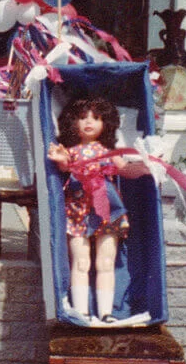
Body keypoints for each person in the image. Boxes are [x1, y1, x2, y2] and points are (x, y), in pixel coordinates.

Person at [47, 97, 145, 323]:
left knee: (106, 262)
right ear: (72, 122)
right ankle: (81, 311)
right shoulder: (71, 151)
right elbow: (64, 166)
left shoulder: (109, 151)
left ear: (106, 123)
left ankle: (106, 312)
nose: (88, 122)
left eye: (96, 118)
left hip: (107, 211)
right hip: (77, 212)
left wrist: (146, 168)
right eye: (82, 118)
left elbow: (126, 170)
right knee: (81, 262)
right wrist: (62, 160)